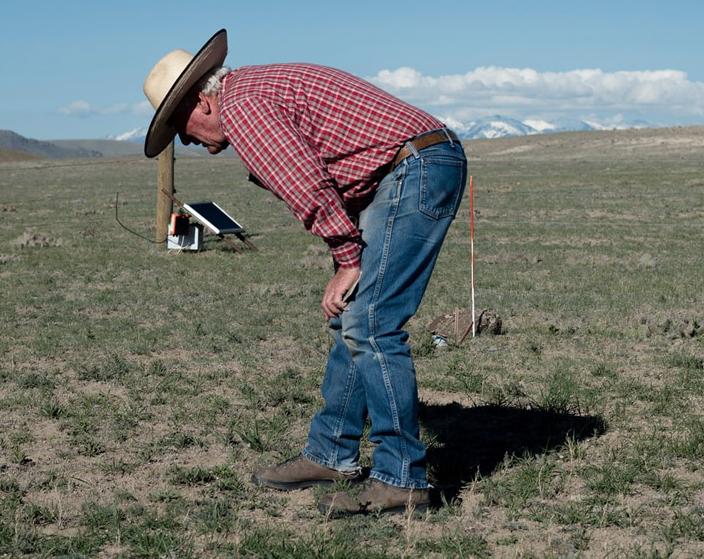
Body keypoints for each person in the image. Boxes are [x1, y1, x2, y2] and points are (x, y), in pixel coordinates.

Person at [142, 29, 467, 518]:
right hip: (407, 168)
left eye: (181, 126)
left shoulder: (245, 107)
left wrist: (348, 256)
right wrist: (346, 260)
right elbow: (335, 178)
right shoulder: (254, 92)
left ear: (200, 102)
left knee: (371, 323)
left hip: (415, 166)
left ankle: (402, 479)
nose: (186, 139)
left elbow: (306, 182)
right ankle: (330, 453)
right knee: (351, 320)